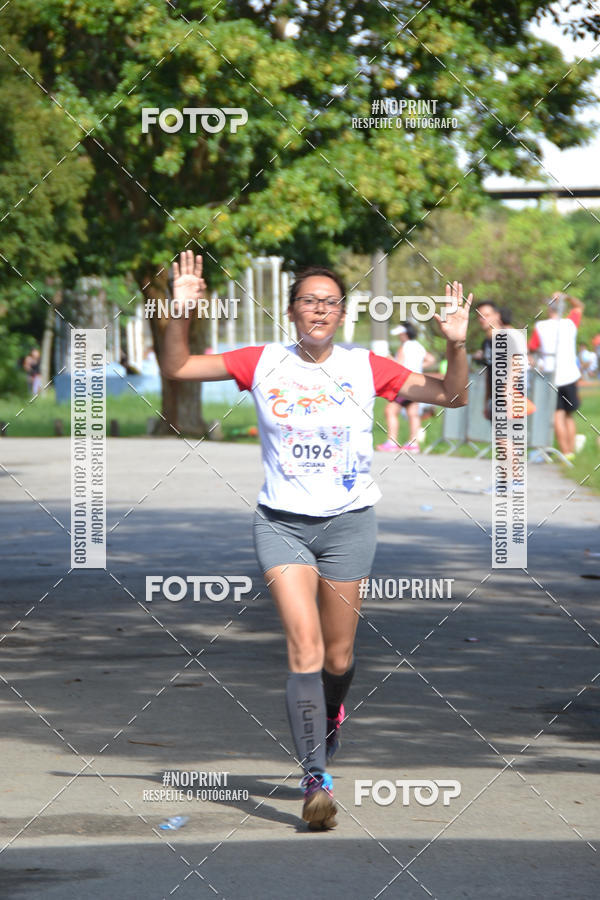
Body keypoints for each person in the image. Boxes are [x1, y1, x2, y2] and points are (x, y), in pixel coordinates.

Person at [161, 251, 472, 831]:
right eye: (309, 300)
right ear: (291, 311)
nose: (319, 310)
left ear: (342, 314)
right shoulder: (262, 361)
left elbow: (451, 395)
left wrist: (456, 343)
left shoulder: (365, 367)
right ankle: (315, 778)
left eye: (330, 302)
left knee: (338, 655)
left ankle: (328, 714)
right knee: (302, 647)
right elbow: (178, 367)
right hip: (281, 524)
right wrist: (180, 312)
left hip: (350, 524)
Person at [528, 291, 584, 460]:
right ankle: (571, 453)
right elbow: (580, 306)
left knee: (557, 414)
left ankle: (565, 452)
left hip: (551, 376)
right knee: (569, 415)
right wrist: (567, 296)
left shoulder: (541, 326)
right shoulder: (570, 324)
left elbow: (531, 347)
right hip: (570, 375)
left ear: (548, 308)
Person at [376, 322, 436, 452]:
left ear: (404, 334)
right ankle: (413, 444)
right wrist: (418, 367)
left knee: (390, 411)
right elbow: (431, 359)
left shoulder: (403, 348)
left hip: (405, 383)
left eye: (400, 334)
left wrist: (388, 358)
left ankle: (392, 441)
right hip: (418, 383)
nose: (399, 337)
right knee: (413, 413)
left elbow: (398, 366)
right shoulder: (419, 346)